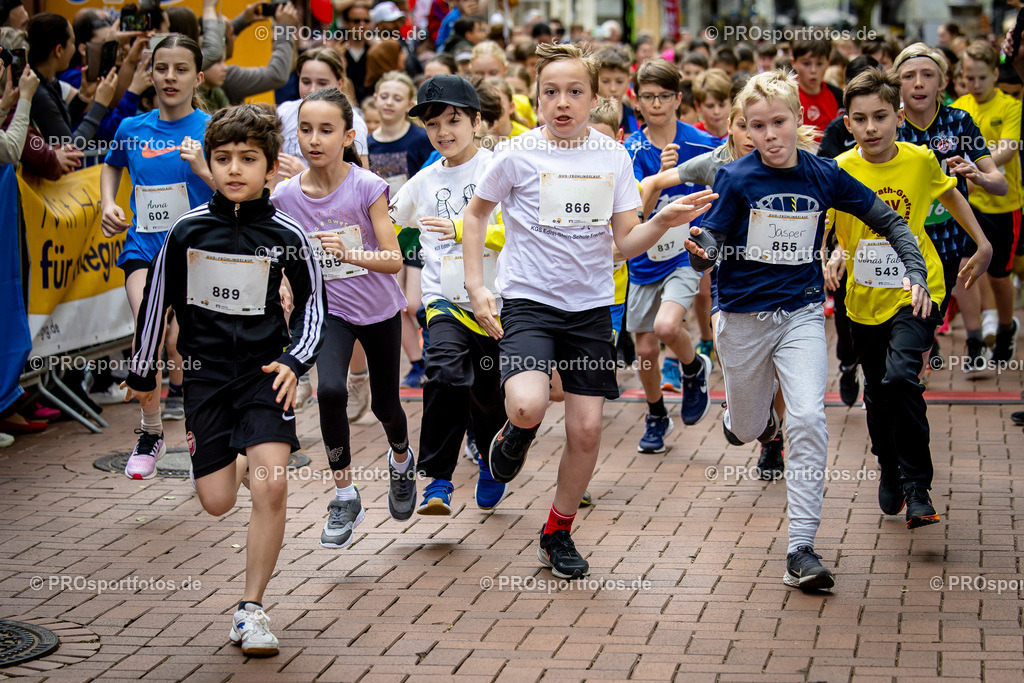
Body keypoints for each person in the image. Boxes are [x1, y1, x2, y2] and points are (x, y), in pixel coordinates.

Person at [461, 42, 716, 579]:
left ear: (595, 98)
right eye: (550, 92)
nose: (562, 102)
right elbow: (478, 213)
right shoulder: (516, 153)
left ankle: (557, 532)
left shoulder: (612, 157)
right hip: (530, 299)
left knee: (586, 430)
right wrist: (477, 285)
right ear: (536, 98)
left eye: (575, 92)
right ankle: (516, 432)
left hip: (591, 309)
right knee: (528, 404)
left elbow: (625, 243)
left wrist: (664, 220)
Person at [684, 70, 931, 592]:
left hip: (799, 313)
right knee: (750, 428)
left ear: (800, 120)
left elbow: (891, 221)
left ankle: (801, 548)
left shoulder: (823, 175)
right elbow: (713, 235)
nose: (769, 135)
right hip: (744, 319)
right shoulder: (738, 178)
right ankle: (743, 418)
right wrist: (702, 248)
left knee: (807, 417)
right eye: (757, 126)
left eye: (779, 122)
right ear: (746, 130)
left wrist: (914, 271)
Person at [124, 104, 325, 657]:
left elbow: (313, 308)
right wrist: (144, 373)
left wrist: (295, 359)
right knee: (215, 501)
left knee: (272, 482)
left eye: (248, 159)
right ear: (208, 165)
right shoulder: (186, 231)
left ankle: (250, 609)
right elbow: (158, 304)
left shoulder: (289, 233)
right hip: (206, 377)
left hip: (265, 373)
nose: (235, 169)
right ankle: (239, 455)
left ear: (269, 168)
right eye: (223, 159)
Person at [824, 69, 992, 530]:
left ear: (899, 116)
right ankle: (888, 467)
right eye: (861, 119)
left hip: (918, 287)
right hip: (863, 298)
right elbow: (828, 226)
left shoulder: (920, 160)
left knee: (901, 376)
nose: (872, 127)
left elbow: (952, 195)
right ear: (848, 123)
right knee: (877, 391)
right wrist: (833, 255)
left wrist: (982, 243)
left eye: (881, 116)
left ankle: (918, 485)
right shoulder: (839, 169)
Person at [271, 88, 412, 548]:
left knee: (386, 405)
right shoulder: (286, 196)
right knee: (330, 390)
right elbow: (281, 255)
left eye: (326, 130)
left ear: (348, 136)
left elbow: (394, 258)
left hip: (378, 310)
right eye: (305, 130)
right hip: (329, 313)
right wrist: (285, 286)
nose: (314, 140)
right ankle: (345, 494)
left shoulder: (367, 186)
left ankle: (400, 459)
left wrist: (352, 252)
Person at [389, 74, 508, 514]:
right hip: (444, 303)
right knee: (443, 375)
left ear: (477, 121)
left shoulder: (499, 168)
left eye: (453, 120)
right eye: (433, 123)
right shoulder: (423, 181)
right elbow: (387, 221)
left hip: (497, 304)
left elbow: (510, 230)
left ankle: (492, 465)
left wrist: (464, 230)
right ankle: (438, 480)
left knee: (488, 394)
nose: (443, 132)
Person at [101, 35, 216, 479]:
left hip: (197, 255)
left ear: (198, 77)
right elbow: (112, 164)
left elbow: (234, 188)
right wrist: (108, 203)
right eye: (162, 68)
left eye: (181, 69)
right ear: (150, 74)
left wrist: (203, 167)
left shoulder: (211, 127)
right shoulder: (132, 128)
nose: (170, 77)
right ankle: (150, 432)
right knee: (145, 330)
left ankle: (198, 434)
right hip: (144, 249)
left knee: (184, 345)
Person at [895, 43, 1009, 375]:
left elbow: (1000, 183)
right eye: (909, 76)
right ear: (897, 83)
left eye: (927, 75)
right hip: (901, 242)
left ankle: (914, 377)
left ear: (943, 81)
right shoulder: (890, 123)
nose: (918, 83)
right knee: (907, 325)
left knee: (928, 320)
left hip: (947, 241)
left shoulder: (958, 121)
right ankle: (903, 385)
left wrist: (980, 176)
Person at [624, 59, 718, 454]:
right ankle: (657, 412)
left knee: (666, 329)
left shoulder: (702, 143)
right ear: (637, 102)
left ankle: (693, 367)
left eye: (664, 96)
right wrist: (657, 180)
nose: (657, 104)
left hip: (685, 253)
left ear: (679, 99)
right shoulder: (631, 149)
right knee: (644, 351)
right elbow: (631, 216)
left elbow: (723, 190)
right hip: (644, 259)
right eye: (648, 97)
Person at [952, 41, 1022, 362]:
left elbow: (1008, 148)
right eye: (969, 78)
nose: (976, 85)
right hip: (968, 202)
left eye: (982, 77)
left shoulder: (1010, 107)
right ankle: (975, 339)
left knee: (998, 275)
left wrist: (978, 168)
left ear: (995, 74)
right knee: (965, 267)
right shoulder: (959, 107)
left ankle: (1007, 327)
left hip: (1005, 204)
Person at [367, 71, 434, 387]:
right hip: (384, 232)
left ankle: (433, 350)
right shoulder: (367, 143)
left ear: (409, 103)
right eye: (384, 96)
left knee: (414, 302)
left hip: (417, 232)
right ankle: (417, 363)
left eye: (397, 97)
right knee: (397, 304)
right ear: (375, 98)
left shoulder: (419, 139)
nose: (389, 103)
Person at [26, 13, 116, 148]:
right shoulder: (38, 93)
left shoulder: (48, 83)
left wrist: (83, 97)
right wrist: (100, 104)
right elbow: (70, 146)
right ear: (59, 50)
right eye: (72, 43)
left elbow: (61, 125)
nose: (74, 48)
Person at [790, 38, 844, 136]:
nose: (813, 70)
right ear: (794, 63)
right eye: (806, 64)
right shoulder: (785, 95)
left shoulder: (838, 96)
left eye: (819, 64)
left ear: (828, 62)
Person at [692, 69, 731, 138]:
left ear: (731, 103)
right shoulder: (693, 135)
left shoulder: (739, 132)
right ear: (698, 107)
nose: (717, 112)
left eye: (722, 105)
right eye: (710, 106)